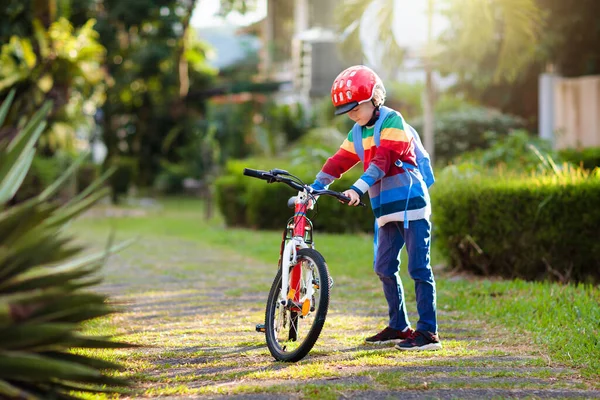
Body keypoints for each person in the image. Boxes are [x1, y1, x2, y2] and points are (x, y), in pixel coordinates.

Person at [308, 65, 441, 351]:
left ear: (373, 98)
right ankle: (399, 325)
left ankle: (428, 332)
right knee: (383, 267)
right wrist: (315, 189)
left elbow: (382, 161)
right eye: (348, 111)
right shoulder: (357, 132)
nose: (352, 114)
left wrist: (357, 188)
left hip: (411, 206)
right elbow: (338, 161)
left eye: (356, 108)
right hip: (384, 210)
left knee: (419, 268)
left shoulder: (394, 121)